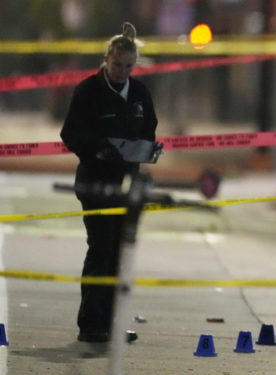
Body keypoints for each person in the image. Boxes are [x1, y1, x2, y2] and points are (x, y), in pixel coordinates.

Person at [61, 22, 158, 343]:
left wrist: (149, 149)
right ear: (106, 60)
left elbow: (148, 131)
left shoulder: (140, 94)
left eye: (128, 67)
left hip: (128, 185)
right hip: (96, 184)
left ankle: (112, 324)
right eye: (117, 65)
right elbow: (70, 134)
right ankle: (91, 325)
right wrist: (99, 147)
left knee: (119, 254)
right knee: (100, 250)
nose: (122, 72)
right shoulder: (88, 91)